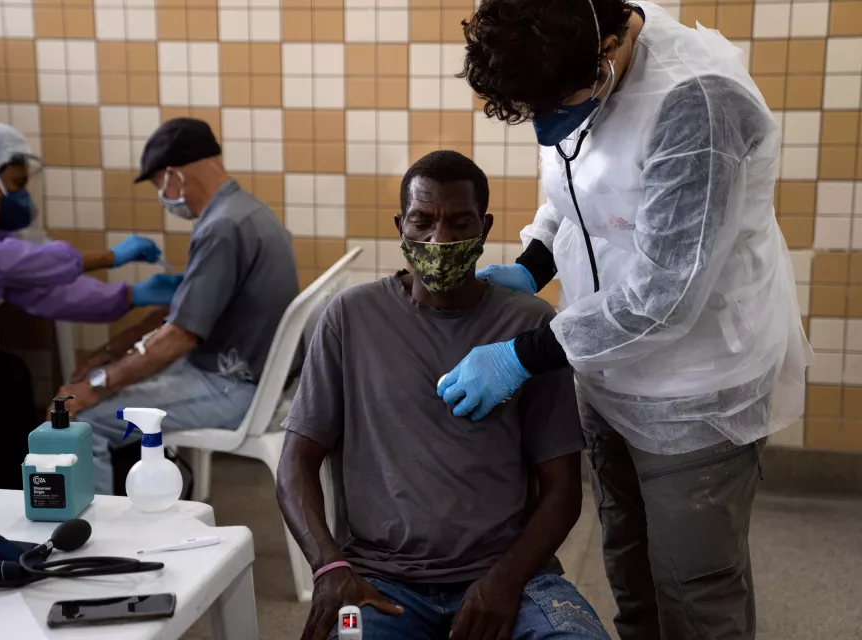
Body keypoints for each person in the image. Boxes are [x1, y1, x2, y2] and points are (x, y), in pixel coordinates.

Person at [441, 2, 811, 639]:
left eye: (557, 102)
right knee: (632, 572)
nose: (548, 121)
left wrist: (521, 355)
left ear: (609, 50)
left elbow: (665, 295)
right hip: (604, 367)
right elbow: (581, 186)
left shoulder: (698, 104)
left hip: (694, 388)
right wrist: (534, 263)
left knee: (695, 593)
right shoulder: (571, 46)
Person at [277, 151, 610, 640]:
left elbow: (562, 489)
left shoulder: (529, 327)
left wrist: (506, 580)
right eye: (422, 221)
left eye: (459, 222)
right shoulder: (351, 319)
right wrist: (329, 566)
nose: (440, 239)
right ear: (400, 227)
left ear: (485, 227)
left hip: (513, 576)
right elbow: (296, 462)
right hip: (381, 579)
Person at [0, 123, 179, 490]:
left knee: (7, 375)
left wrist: (129, 296)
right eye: (15, 185)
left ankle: (13, 490)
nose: (21, 196)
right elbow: (2, 263)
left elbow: (43, 293)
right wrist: (109, 257)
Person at [57, 118, 299, 495]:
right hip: (245, 376)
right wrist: (111, 352)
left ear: (174, 176)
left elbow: (180, 336)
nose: (163, 195)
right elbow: (183, 310)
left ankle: (97, 531)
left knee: (82, 421)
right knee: (109, 390)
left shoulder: (221, 228)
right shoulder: (245, 211)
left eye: (159, 185)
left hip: (232, 388)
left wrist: (97, 386)